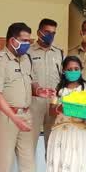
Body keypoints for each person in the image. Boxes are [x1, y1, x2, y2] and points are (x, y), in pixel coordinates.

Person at [0, 22, 43, 172]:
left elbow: (29, 83)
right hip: (6, 116)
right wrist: (14, 118)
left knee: (28, 160)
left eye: (29, 40)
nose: (28, 44)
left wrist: (39, 91)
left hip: (26, 114)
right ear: (12, 40)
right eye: (24, 40)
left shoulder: (26, 59)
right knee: (4, 159)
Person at [28, 18, 63, 155]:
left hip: (53, 104)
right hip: (34, 103)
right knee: (30, 144)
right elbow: (27, 77)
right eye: (47, 32)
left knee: (53, 143)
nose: (50, 35)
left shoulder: (59, 53)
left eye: (53, 33)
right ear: (38, 32)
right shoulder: (28, 52)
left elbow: (62, 76)